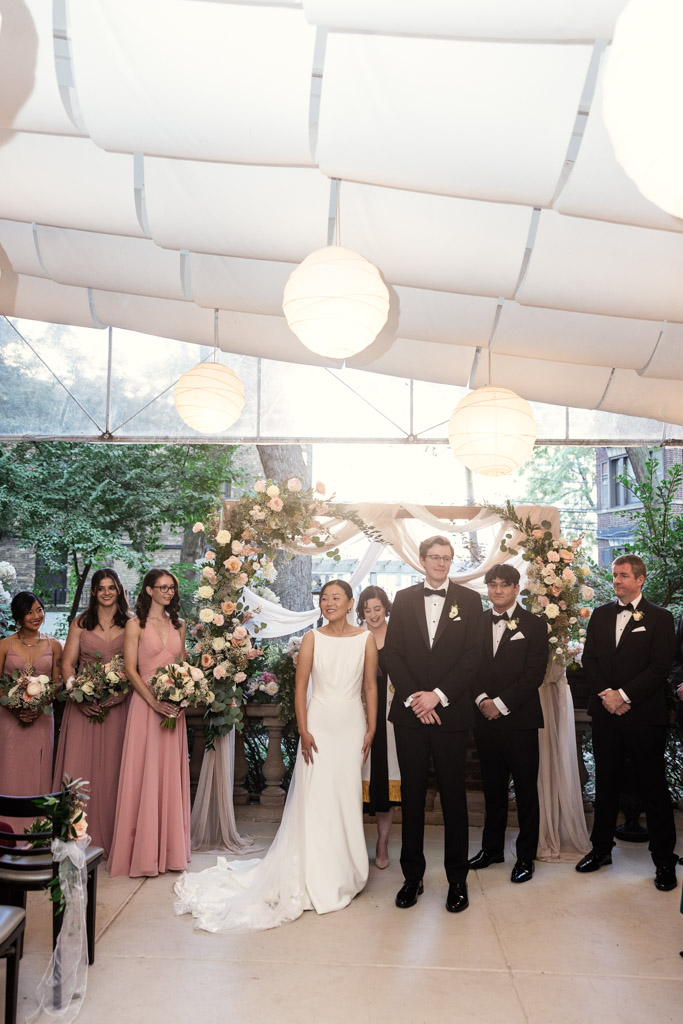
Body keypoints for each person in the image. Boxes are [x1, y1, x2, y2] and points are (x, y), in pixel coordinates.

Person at [174, 579, 378, 932]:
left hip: (351, 726)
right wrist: (303, 728)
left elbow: (370, 686)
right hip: (319, 723)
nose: (329, 603)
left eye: (336, 598)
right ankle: (313, 870)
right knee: (315, 798)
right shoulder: (314, 639)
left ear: (350, 602)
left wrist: (372, 728)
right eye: (325, 598)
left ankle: (345, 868)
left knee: (345, 795)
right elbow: (300, 687)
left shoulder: (366, 639)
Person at [384, 535, 483, 914]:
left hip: (450, 712)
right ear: (422, 560)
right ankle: (413, 877)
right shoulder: (405, 599)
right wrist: (416, 698)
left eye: (447, 558)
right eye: (434, 557)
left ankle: (457, 880)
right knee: (410, 795)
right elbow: (392, 652)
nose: (441, 563)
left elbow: (473, 657)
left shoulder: (470, 601)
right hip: (410, 713)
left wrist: (437, 696)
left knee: (454, 797)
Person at [576, 554, 678, 890]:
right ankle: (601, 849)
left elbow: (660, 666)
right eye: (615, 575)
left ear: (640, 579)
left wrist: (625, 695)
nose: (617, 581)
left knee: (653, 789)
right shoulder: (602, 615)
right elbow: (589, 659)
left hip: (645, 717)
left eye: (623, 576)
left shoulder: (661, 618)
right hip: (607, 713)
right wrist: (609, 695)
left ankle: (664, 862)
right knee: (605, 784)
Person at [468, 564, 548, 883]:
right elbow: (468, 666)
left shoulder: (535, 624)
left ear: (516, 589)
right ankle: (492, 849)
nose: (498, 590)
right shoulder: (474, 623)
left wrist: (500, 704)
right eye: (493, 584)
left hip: (521, 720)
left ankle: (526, 856)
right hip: (484, 718)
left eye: (505, 585)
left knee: (526, 789)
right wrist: (482, 700)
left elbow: (534, 674)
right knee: (493, 788)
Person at [108, 568, 191, 877]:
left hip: (173, 709)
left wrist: (181, 696)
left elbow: (182, 667)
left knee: (169, 775)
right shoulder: (135, 625)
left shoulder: (179, 625)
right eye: (162, 587)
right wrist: (154, 701)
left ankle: (170, 852)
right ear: (148, 590)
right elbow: (130, 669)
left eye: (171, 587)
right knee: (143, 774)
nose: (168, 592)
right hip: (145, 708)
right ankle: (142, 854)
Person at [53, 568, 131, 859]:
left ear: (119, 591)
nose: (107, 592)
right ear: (94, 592)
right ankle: (74, 840)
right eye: (101, 588)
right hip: (82, 707)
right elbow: (67, 664)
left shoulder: (131, 624)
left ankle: (113, 840)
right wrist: (78, 693)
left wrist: (120, 693)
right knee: (79, 771)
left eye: (112, 587)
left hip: (118, 707)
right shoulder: (81, 623)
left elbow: (134, 665)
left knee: (114, 772)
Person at [0, 592, 62, 830]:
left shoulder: (54, 645)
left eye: (39, 609)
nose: (37, 616)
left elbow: (56, 683)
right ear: (18, 616)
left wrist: (37, 708)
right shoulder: (5, 645)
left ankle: (37, 830)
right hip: (8, 720)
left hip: (41, 719)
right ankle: (6, 832)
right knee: (9, 769)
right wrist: (15, 709)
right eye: (29, 612)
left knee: (39, 771)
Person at [358, 585, 400, 869]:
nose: (373, 615)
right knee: (358, 780)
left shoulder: (400, 636)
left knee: (387, 782)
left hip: (393, 715)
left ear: (386, 608)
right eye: (367, 609)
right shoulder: (355, 637)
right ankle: (351, 845)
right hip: (359, 714)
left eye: (378, 608)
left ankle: (382, 842)